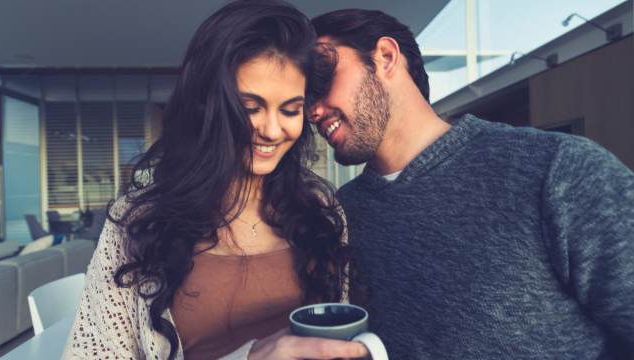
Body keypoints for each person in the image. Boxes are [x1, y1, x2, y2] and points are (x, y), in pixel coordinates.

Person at [309, 8, 634, 360]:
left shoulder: (558, 170)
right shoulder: (342, 213)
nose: (312, 110)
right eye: (305, 97)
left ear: (386, 57)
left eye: (321, 78)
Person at [61, 1, 371, 360]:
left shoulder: (321, 208)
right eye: (250, 107)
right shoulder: (137, 222)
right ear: (206, 104)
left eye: (290, 110)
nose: (272, 130)